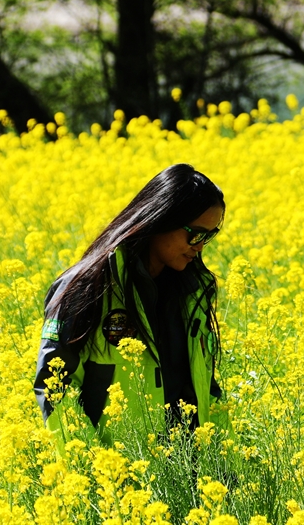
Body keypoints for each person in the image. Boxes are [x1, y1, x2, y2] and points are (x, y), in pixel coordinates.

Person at [33, 164, 226, 446]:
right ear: (162, 218)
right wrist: (92, 471)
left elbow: (206, 387)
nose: (200, 246)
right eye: (196, 234)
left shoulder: (193, 290)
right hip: (114, 474)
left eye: (209, 236)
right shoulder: (89, 286)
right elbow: (54, 387)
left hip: (186, 476)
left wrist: (226, 467)